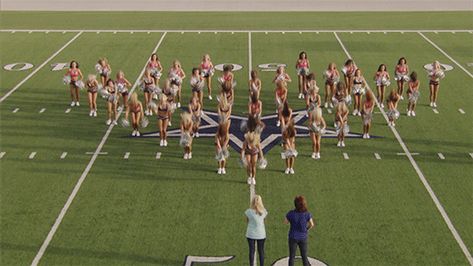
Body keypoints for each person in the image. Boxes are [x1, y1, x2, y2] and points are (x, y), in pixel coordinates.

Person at [284, 195, 315, 266]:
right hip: (303, 237)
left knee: (292, 256)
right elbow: (311, 224)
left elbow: (285, 222)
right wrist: (306, 229)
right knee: (304, 256)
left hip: (293, 237)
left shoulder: (291, 213)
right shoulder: (307, 214)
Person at [245, 195, 267, 266]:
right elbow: (264, 221)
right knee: (261, 251)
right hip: (261, 234)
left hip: (251, 234)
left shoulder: (248, 211)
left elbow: (247, 221)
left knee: (251, 251)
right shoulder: (264, 211)